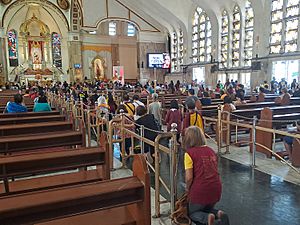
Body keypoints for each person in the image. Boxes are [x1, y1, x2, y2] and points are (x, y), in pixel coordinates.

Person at [184, 126, 229, 225]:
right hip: (216, 187)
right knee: (207, 209)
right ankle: (219, 214)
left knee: (193, 212)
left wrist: (187, 189)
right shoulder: (211, 150)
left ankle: (207, 218)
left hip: (201, 189)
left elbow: (189, 177)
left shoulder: (189, 154)